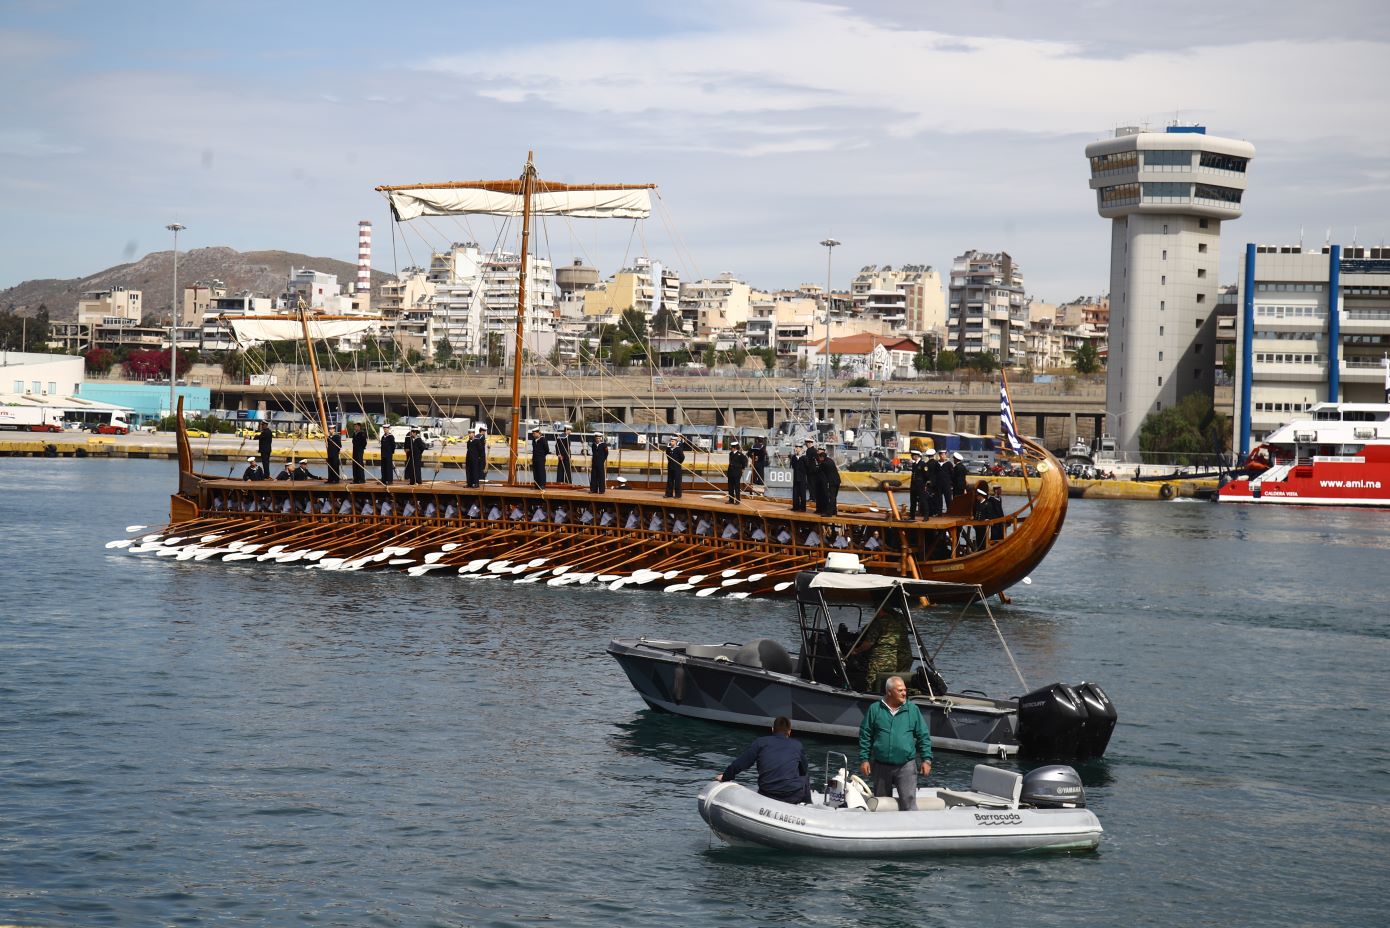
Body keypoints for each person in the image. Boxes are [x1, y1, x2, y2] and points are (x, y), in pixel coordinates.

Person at [858, 675, 932, 811]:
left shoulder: (913, 710)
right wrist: (864, 759)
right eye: (900, 690)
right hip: (881, 766)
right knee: (881, 805)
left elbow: (923, 736)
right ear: (889, 692)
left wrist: (926, 759)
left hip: (906, 766)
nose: (904, 693)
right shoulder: (875, 709)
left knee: (909, 803)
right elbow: (865, 735)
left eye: (905, 690)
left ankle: (910, 829)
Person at [715, 716, 811, 805]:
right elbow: (804, 769)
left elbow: (741, 763)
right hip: (792, 796)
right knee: (805, 775)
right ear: (789, 732)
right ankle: (808, 805)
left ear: (772, 729)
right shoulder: (797, 745)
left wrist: (725, 777)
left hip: (767, 793)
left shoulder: (760, 742)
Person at [817, 449, 841, 516]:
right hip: (837, 480)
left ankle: (829, 513)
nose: (818, 459)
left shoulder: (824, 464)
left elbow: (819, 471)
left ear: (822, 457)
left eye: (819, 458)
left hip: (832, 482)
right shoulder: (831, 460)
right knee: (834, 496)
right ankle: (834, 511)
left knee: (831, 497)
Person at [907, 449, 929, 520]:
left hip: (920, 486)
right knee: (912, 501)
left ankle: (926, 516)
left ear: (916, 456)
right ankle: (912, 516)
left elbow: (926, 476)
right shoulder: (914, 464)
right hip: (913, 486)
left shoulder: (923, 464)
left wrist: (923, 484)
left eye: (912, 455)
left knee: (923, 500)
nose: (911, 457)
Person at [932, 449, 953, 515]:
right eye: (941, 454)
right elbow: (934, 474)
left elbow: (952, 474)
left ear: (946, 455)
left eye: (943, 454)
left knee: (948, 498)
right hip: (938, 484)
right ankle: (939, 512)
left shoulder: (948, 464)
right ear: (939, 455)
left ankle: (949, 511)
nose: (942, 456)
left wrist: (951, 483)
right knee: (938, 499)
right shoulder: (936, 464)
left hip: (946, 484)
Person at [789, 441, 808, 512]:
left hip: (802, 478)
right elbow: (792, 466)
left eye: (798, 447)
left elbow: (807, 466)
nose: (796, 449)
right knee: (795, 493)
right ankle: (795, 506)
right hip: (795, 477)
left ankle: (803, 508)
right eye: (796, 447)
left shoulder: (804, 457)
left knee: (802, 494)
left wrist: (801, 457)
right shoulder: (794, 457)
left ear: (801, 448)